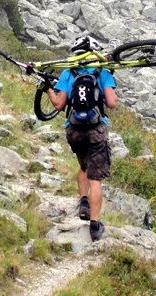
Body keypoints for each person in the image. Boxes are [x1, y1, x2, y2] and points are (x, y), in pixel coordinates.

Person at [47, 35, 118, 242]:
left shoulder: (68, 73)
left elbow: (59, 105)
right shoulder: (102, 72)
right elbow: (112, 103)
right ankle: (95, 226)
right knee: (95, 178)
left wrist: (49, 90)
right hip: (96, 129)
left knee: (84, 167)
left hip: (74, 130)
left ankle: (83, 201)